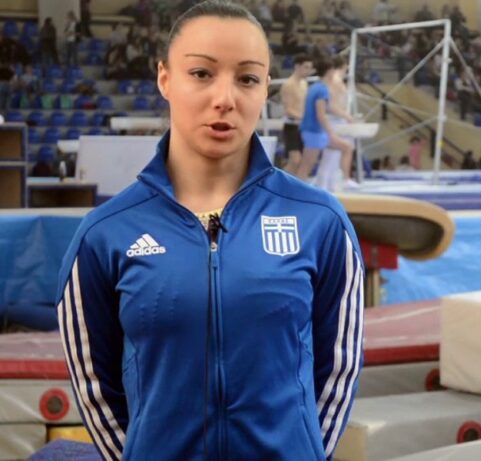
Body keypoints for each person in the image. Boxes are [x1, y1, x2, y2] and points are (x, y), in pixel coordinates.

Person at [56, 2, 363, 460]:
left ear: (265, 89)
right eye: (201, 73)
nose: (225, 98)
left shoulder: (319, 221)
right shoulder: (106, 234)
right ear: (165, 79)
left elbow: (337, 371)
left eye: (247, 78)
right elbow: (96, 389)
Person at [296, 57, 355, 185]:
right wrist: (331, 133)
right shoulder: (322, 89)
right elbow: (321, 115)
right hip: (314, 131)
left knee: (346, 147)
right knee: (306, 166)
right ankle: (297, 191)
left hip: (313, 130)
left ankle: (346, 179)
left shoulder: (314, 87)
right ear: (329, 71)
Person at [279, 53, 313, 174]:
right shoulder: (288, 85)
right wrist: (304, 118)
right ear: (297, 66)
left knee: (303, 161)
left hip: (303, 126)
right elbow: (288, 110)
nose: (308, 71)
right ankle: (279, 182)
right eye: (306, 67)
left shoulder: (304, 84)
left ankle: (294, 183)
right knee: (295, 160)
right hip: (292, 125)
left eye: (310, 68)